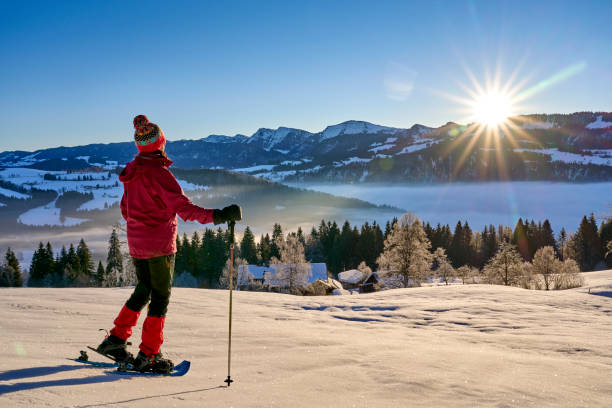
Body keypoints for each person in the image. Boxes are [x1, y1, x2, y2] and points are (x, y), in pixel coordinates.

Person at [97, 114, 241, 373]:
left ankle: (116, 339)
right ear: (160, 143)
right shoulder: (160, 174)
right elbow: (184, 209)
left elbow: (125, 211)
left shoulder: (132, 172)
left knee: (143, 290)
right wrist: (219, 215)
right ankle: (149, 354)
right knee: (160, 297)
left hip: (137, 244)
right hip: (159, 246)